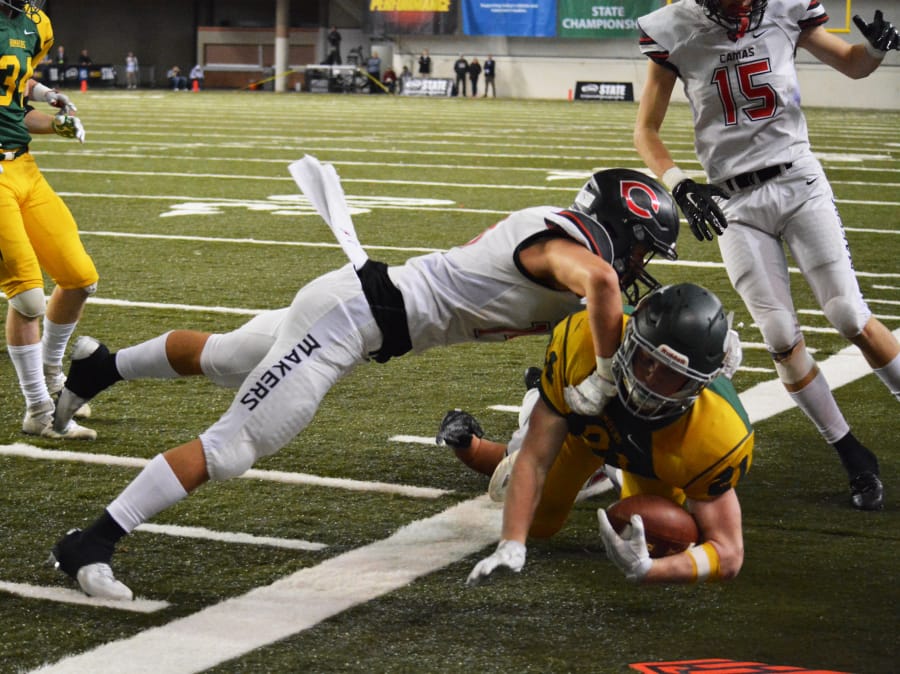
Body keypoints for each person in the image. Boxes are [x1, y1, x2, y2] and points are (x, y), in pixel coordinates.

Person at [50, 158, 681, 600]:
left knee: (221, 356)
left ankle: (100, 367)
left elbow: (598, 315)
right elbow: (600, 284)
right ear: (619, 230)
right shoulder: (575, 251)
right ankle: (92, 541)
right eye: (642, 248)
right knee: (234, 445)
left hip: (355, 304)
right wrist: (603, 376)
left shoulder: (567, 251)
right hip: (350, 320)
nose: (639, 265)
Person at [633, 1, 900, 511]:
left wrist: (876, 49)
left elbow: (851, 62)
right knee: (779, 335)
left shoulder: (782, 9)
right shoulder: (675, 28)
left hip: (797, 179)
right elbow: (645, 129)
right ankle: (851, 454)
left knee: (848, 313)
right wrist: (679, 183)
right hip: (732, 198)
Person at [467, 283, 754, 585]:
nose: (650, 377)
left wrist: (649, 571)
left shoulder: (718, 434)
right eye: (646, 358)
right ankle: (537, 401)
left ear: (698, 385)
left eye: (670, 373)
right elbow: (536, 459)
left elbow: (729, 553)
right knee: (538, 523)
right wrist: (512, 541)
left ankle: (611, 469)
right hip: (586, 428)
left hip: (653, 462)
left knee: (655, 535)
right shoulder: (585, 341)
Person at [1, 0, 97, 440]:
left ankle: (52, 375)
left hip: (23, 168)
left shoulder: (33, 23)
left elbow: (13, 92)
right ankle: (38, 409)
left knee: (79, 278)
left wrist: (52, 110)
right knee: (28, 300)